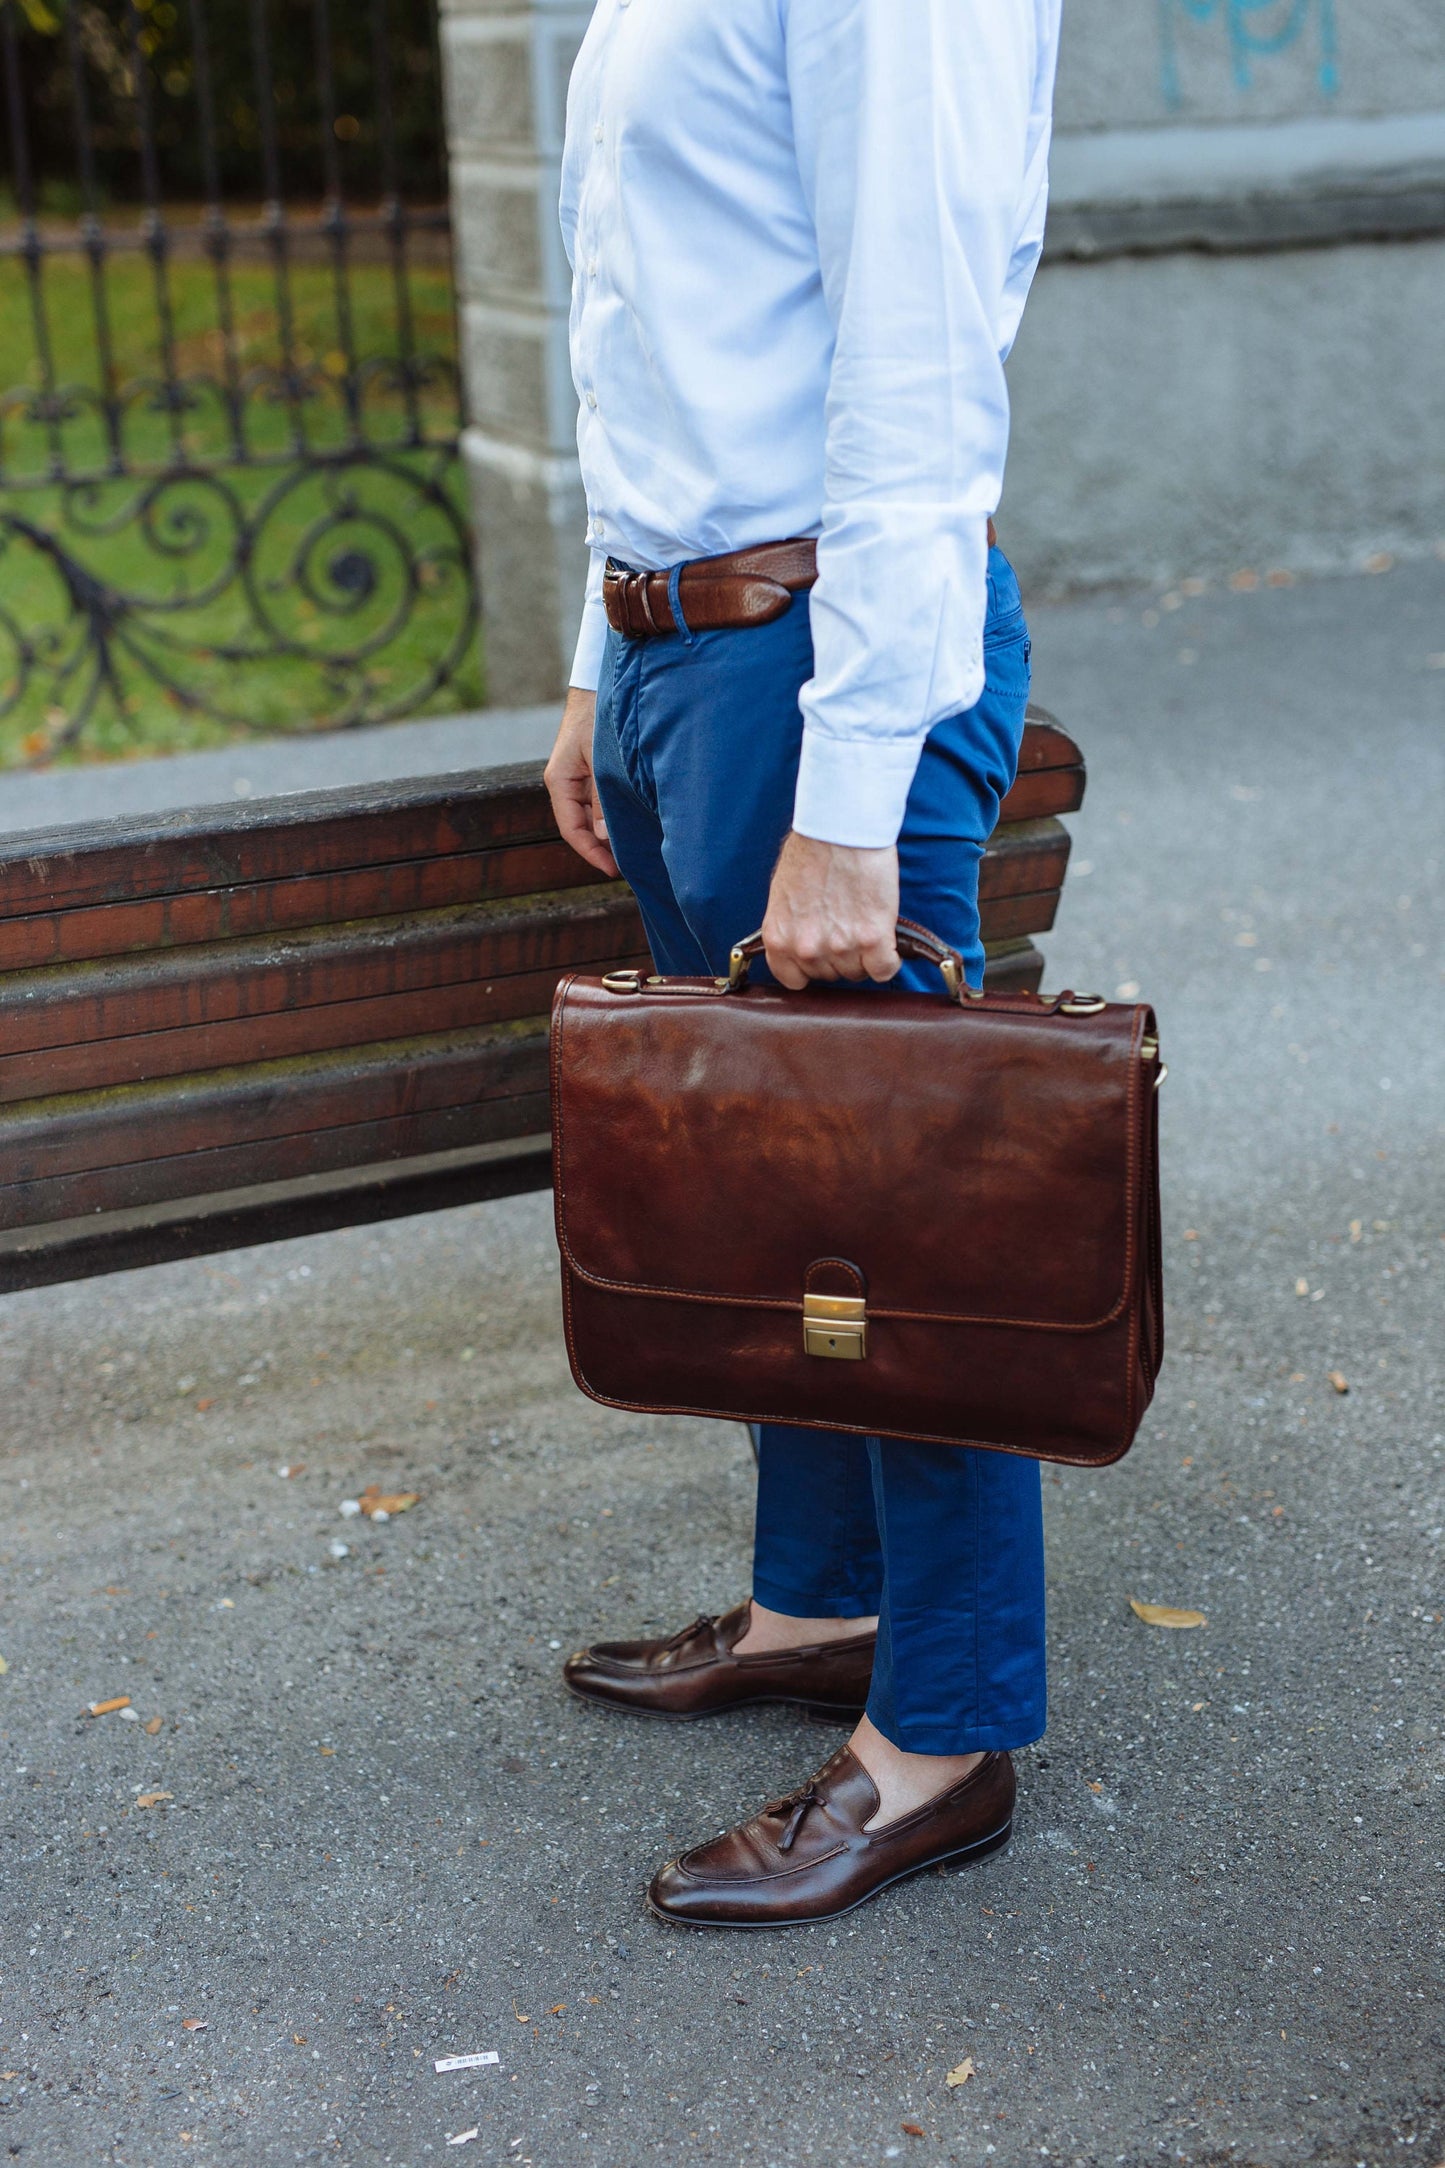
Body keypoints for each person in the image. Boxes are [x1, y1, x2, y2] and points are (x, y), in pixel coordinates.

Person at [543, 0, 1062, 1929]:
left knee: (892, 1222)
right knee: (775, 1198)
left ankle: (942, 1737)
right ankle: (819, 1605)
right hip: (696, 648)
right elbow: (657, 319)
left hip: (827, 655)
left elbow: (915, 367)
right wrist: (612, 657)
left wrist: (849, 799)